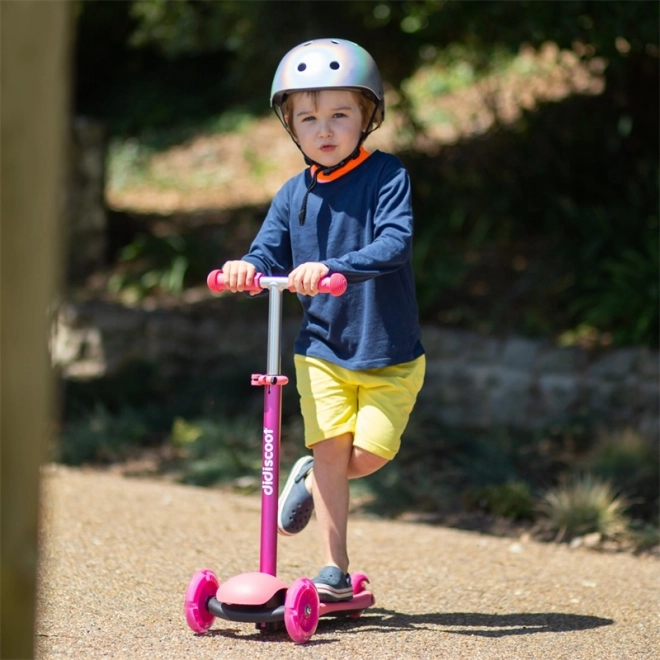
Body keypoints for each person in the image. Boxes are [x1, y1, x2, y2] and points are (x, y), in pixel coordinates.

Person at [221, 38, 425, 602]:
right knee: (334, 447)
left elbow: (395, 244)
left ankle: (309, 475)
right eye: (308, 118)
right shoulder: (293, 194)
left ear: (368, 116)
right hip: (321, 350)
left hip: (390, 350)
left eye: (340, 114)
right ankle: (333, 569)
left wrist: (332, 266)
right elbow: (267, 252)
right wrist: (246, 268)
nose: (325, 129)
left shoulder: (387, 177)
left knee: (370, 456)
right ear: (291, 126)